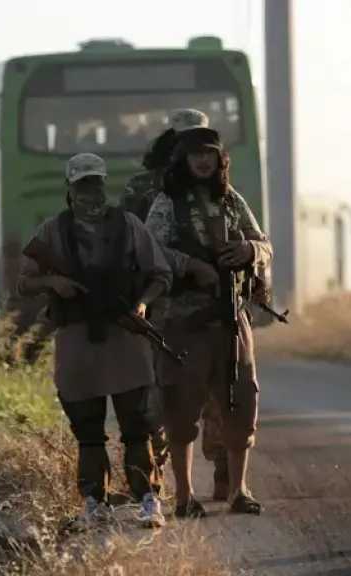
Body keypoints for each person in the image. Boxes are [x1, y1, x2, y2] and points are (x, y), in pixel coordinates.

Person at [16, 153, 170, 529]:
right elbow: (25, 281)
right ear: (70, 189)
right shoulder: (53, 231)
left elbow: (160, 274)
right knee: (87, 430)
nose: (91, 192)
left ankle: (148, 497)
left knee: (137, 425)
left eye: (96, 183)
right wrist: (54, 283)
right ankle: (93, 502)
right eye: (83, 184)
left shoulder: (129, 225)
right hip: (77, 340)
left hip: (124, 336)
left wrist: (142, 305)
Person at [145, 125, 272, 517]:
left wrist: (248, 250)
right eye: (196, 154)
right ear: (183, 159)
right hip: (182, 323)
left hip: (231, 321)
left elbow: (264, 244)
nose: (203, 161)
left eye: (210, 154)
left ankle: (238, 491)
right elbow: (150, 251)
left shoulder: (231, 200)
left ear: (220, 159)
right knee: (180, 408)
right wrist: (191, 265)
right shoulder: (168, 203)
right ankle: (184, 497)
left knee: (240, 403)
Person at [124, 108, 233, 500]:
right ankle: (159, 481)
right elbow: (134, 246)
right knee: (167, 393)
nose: (199, 155)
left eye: (204, 145)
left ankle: (224, 471)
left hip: (213, 307)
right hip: (164, 306)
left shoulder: (219, 190)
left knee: (224, 389)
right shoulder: (147, 189)